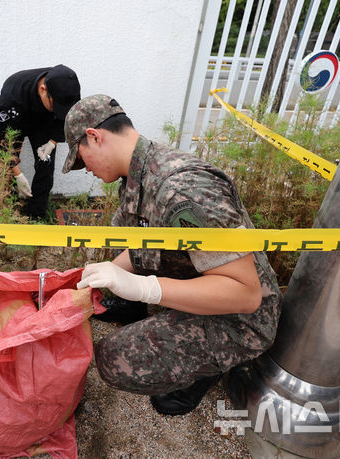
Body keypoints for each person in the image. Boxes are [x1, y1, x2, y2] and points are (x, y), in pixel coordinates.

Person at [62, 94, 282, 416]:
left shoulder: (182, 189)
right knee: (116, 253)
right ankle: (142, 309)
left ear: (94, 137)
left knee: (114, 359)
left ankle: (208, 370)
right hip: (202, 279)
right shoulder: (139, 174)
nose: (87, 171)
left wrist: (145, 288)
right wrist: (105, 273)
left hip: (241, 317)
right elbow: (142, 244)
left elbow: (245, 294)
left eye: (82, 160)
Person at [0, 64, 81, 219]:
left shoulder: (68, 86)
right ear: (43, 89)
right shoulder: (12, 94)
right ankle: (7, 212)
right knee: (6, 167)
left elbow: (65, 118)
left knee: (45, 164)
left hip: (43, 124)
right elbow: (0, 137)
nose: (57, 110)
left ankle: (36, 216)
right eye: (55, 106)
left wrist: (52, 142)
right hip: (15, 122)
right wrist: (18, 173)